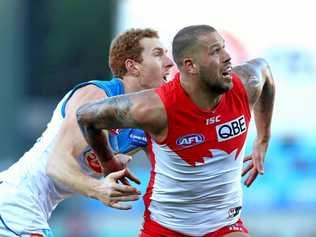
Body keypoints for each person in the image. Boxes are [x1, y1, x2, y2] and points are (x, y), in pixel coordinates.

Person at [77, 24, 275, 237]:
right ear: (190, 66)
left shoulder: (246, 84)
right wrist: (108, 163)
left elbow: (265, 72)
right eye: (216, 51)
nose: (227, 57)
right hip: (165, 229)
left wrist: (263, 138)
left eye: (224, 48)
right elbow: (86, 116)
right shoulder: (156, 108)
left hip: (224, 226)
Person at [0, 28, 174, 237]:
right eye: (157, 54)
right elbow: (55, 165)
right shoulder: (96, 96)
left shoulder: (147, 120)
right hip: (14, 201)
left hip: (32, 209)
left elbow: (172, 180)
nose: (169, 62)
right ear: (133, 66)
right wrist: (98, 189)